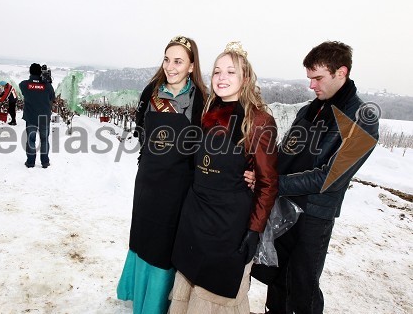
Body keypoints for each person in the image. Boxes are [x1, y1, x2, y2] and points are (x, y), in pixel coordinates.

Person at [248, 41, 380, 313]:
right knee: (277, 280)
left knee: (302, 285)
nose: (312, 86)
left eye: (318, 78)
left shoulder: (362, 118)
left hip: (314, 216)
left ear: (341, 72)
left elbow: (329, 177)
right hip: (284, 207)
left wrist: (273, 184)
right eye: (310, 78)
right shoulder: (309, 109)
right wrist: (260, 169)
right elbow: (285, 154)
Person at [167, 41, 278, 313]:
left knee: (216, 298)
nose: (222, 77)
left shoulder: (259, 121)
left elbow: (267, 183)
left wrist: (254, 230)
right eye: (217, 71)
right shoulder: (207, 112)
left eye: (230, 71)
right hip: (195, 220)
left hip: (228, 226)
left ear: (246, 78)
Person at [117, 35, 208, 313]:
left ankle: (156, 303)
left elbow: (201, 144)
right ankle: (137, 293)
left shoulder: (200, 99)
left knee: (164, 245)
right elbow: (142, 130)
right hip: (147, 180)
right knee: (142, 236)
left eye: (178, 61)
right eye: (167, 59)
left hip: (178, 185)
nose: (170, 66)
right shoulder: (151, 92)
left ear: (192, 66)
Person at [19, 63, 55, 169]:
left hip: (31, 116)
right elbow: (52, 97)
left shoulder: (24, 84)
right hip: (44, 116)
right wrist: (46, 82)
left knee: (31, 139)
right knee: (44, 139)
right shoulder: (47, 86)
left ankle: (30, 162)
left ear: (30, 72)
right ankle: (44, 162)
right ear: (41, 72)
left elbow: (24, 91)